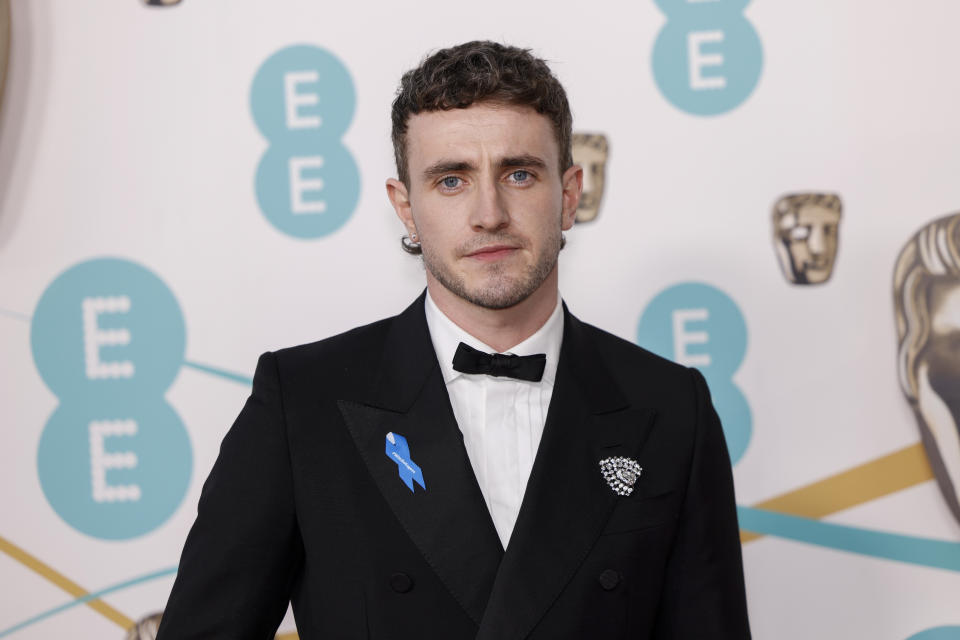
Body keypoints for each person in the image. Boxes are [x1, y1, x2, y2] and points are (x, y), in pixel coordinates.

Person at [156, 40, 750, 639]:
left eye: (519, 174)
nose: (488, 213)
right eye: (451, 181)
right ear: (406, 207)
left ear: (569, 195)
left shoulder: (673, 406)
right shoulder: (301, 402)